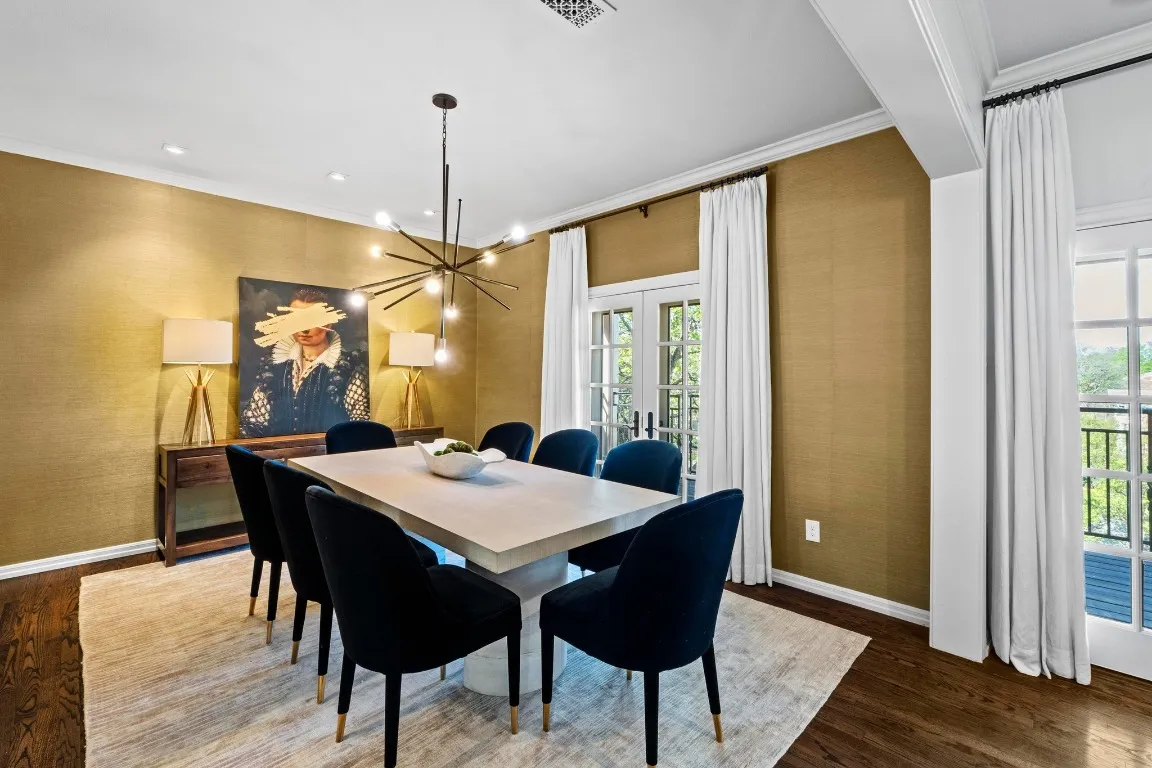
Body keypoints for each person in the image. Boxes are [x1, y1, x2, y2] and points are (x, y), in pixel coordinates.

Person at [240, 287, 369, 436]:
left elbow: (361, 424)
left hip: (330, 448)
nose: (304, 329)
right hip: (277, 449)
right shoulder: (275, 366)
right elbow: (254, 421)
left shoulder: (349, 368)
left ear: (328, 324)